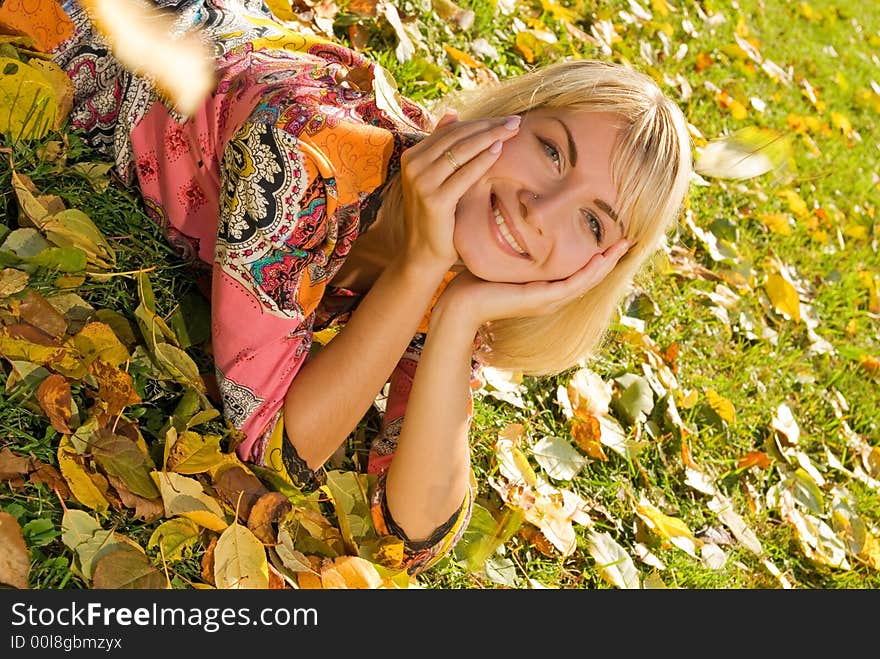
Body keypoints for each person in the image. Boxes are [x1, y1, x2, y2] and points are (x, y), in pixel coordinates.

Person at [47, 0, 693, 577]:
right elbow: (275, 444)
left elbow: (415, 531)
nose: (539, 208)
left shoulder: (460, 258)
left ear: (596, 269)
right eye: (553, 151)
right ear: (510, 121)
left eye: (591, 221)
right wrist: (417, 269)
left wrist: (461, 316)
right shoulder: (302, 157)